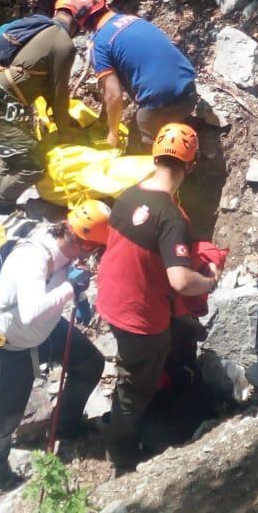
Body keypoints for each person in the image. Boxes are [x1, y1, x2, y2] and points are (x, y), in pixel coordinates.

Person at [96, 123, 220, 474]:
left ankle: (158, 384)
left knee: (162, 347)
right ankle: (121, 452)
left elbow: (134, 251)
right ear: (190, 166)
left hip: (110, 296)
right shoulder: (171, 216)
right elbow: (180, 280)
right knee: (134, 386)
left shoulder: (128, 195)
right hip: (140, 317)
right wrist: (209, 281)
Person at [0, 201, 113, 504]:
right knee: (4, 419)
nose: (94, 256)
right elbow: (32, 311)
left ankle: (65, 425)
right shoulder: (32, 259)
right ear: (84, 242)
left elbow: (61, 282)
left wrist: (79, 297)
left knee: (90, 363)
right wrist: (70, 291)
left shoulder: (65, 247)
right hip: (9, 345)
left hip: (45, 331)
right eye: (94, 249)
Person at [0, 0, 103, 215]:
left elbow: (46, 88)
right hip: (2, 104)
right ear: (80, 19)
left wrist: (65, 120)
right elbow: (59, 93)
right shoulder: (63, 44)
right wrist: (65, 132)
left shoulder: (45, 30)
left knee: (17, 159)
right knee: (31, 166)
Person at [65, 0, 198, 150]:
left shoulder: (99, 44)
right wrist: (103, 118)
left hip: (162, 103)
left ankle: (158, 164)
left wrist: (113, 133)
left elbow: (114, 95)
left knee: (136, 140)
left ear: (82, 23)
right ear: (105, 5)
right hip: (190, 92)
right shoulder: (134, 20)